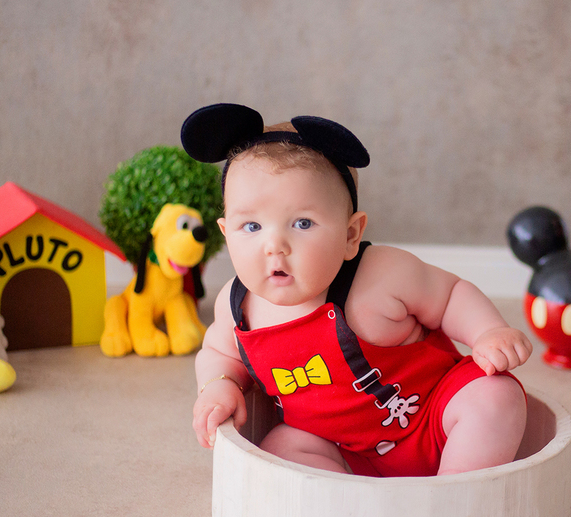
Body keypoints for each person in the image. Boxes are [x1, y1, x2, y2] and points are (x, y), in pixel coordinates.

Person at [183, 104, 532, 477]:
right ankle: (351, 508)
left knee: (497, 396)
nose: (274, 246)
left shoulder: (380, 274)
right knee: (279, 452)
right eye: (251, 226)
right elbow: (219, 352)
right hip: (340, 449)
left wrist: (488, 331)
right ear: (225, 233)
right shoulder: (235, 307)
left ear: (351, 235)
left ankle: (453, 498)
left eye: (302, 223)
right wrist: (219, 385)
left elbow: (450, 296)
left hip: (436, 420)